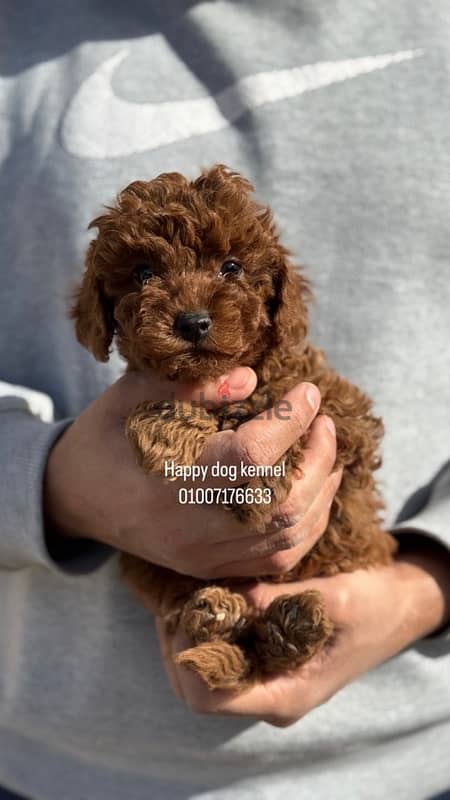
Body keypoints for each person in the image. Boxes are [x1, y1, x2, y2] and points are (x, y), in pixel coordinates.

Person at [0, 2, 449, 799]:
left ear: (279, 298)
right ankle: (218, 632)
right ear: (99, 313)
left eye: (232, 274)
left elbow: (348, 429)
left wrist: (425, 585)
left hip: (413, 761)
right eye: (142, 278)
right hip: (51, 765)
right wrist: (51, 482)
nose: (192, 304)